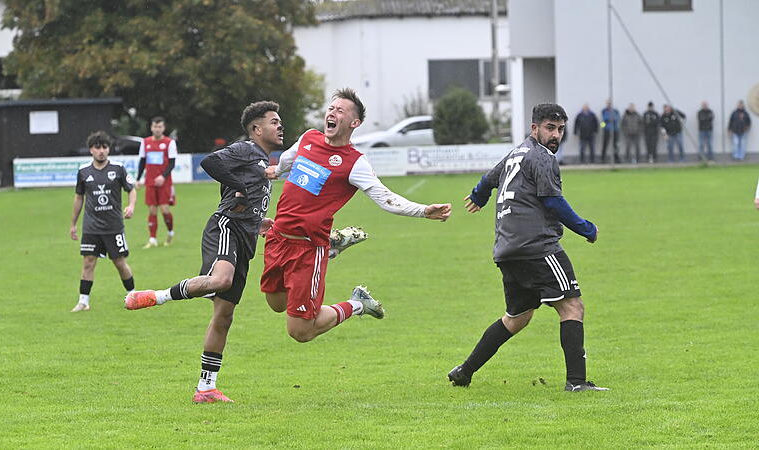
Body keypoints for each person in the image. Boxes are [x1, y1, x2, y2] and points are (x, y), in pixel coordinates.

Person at [261, 88, 452, 344]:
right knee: (276, 303)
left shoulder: (354, 163)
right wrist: (278, 170)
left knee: (300, 331)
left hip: (306, 249)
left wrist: (423, 210)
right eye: (331, 108)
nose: (332, 113)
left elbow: (385, 197)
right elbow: (289, 157)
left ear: (354, 123)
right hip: (278, 237)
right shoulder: (309, 138)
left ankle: (357, 304)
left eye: (340, 110)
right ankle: (332, 245)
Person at [124, 101, 284, 403]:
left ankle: (206, 388)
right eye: (274, 121)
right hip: (225, 227)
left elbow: (244, 194)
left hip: (246, 236)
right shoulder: (247, 149)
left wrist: (258, 220)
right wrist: (238, 185)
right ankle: (157, 296)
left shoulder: (263, 161)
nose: (280, 126)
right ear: (256, 129)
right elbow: (210, 162)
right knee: (221, 280)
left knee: (224, 317)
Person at [448, 103, 608, 392]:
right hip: (537, 247)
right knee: (572, 306)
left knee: (517, 317)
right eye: (549, 128)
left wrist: (479, 196)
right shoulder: (542, 157)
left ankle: (465, 370)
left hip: (507, 250)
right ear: (534, 128)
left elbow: (488, 180)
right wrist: (587, 229)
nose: (555, 135)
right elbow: (553, 201)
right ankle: (577, 382)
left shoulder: (515, 153)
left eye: (560, 129)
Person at [69, 131, 137, 312]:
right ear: (91, 149)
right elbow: (78, 198)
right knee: (88, 262)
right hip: (91, 227)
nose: (101, 151)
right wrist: (73, 224)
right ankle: (83, 302)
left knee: (119, 263)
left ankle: (133, 295)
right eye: (97, 147)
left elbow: (131, 189)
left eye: (104, 147)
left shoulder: (118, 168)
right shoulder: (83, 172)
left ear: (109, 149)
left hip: (114, 226)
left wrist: (131, 206)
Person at [136, 116, 178, 248]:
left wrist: (163, 176)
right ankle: (152, 239)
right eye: (155, 126)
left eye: (159, 127)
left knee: (165, 209)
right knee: (152, 211)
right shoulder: (145, 142)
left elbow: (172, 163)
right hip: (150, 182)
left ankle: (170, 232)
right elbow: (142, 162)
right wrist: (138, 179)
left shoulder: (169, 142)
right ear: (151, 127)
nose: (157, 129)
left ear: (163, 128)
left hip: (164, 183)